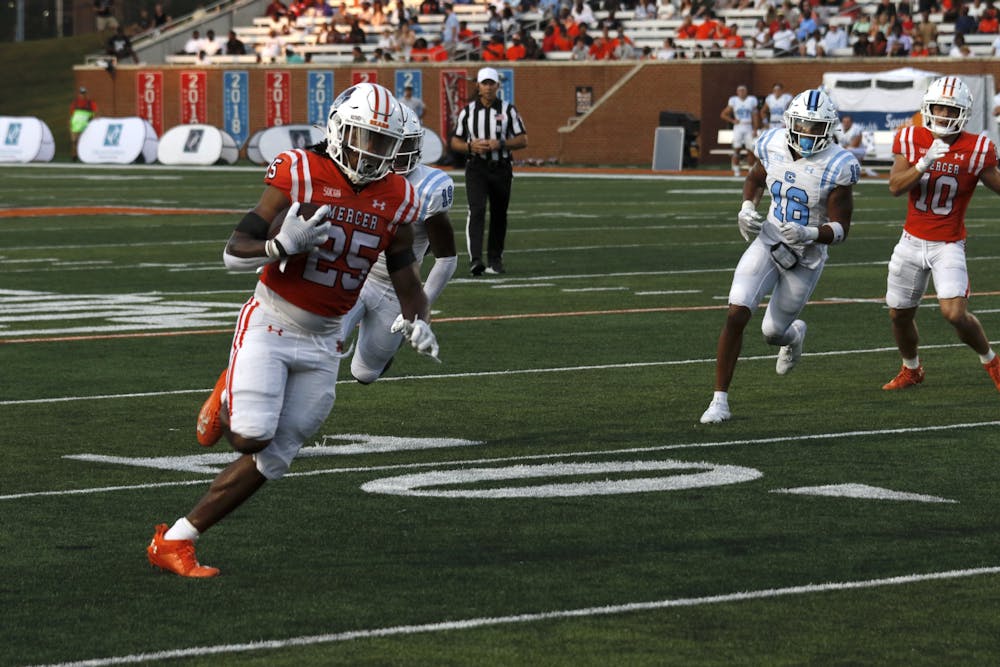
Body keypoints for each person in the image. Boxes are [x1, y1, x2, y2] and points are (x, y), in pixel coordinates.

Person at [147, 83, 439, 577]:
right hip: (273, 320)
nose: (377, 153)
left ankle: (176, 540)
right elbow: (233, 248)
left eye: (386, 144)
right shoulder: (300, 170)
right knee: (250, 438)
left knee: (276, 458)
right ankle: (226, 395)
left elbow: (404, 270)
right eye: (369, 139)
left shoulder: (400, 197)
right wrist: (279, 248)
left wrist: (419, 318)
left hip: (326, 339)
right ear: (342, 130)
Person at [700, 89, 859, 424]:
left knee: (773, 332)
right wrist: (746, 207)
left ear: (829, 130)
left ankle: (794, 335)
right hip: (768, 241)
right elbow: (755, 178)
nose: (807, 132)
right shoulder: (772, 143)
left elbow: (842, 228)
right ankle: (719, 401)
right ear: (789, 121)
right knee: (736, 312)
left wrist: (811, 234)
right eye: (801, 123)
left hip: (807, 257)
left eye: (815, 127)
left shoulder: (839, 165)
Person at [881, 76, 1000, 392]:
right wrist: (923, 163)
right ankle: (911, 369)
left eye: (951, 109)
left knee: (954, 314)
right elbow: (894, 186)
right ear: (928, 107)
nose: (945, 115)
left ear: (963, 112)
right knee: (898, 314)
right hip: (910, 241)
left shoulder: (977, 149)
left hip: (947, 243)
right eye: (940, 107)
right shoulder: (910, 137)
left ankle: (991, 360)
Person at [342, 110, 457, 384]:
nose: (395, 152)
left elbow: (446, 258)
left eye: (403, 144)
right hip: (352, 273)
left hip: (396, 287)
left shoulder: (430, 187)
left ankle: (380, 349)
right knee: (320, 343)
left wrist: (419, 314)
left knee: (364, 373)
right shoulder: (357, 173)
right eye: (389, 142)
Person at [449, 67, 528, 276]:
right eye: (485, 83)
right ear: (478, 86)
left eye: (492, 83)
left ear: (498, 86)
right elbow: (455, 141)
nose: (488, 87)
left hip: (501, 168)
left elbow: (523, 139)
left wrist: (500, 143)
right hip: (476, 167)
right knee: (476, 211)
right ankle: (475, 259)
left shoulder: (509, 110)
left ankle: (495, 259)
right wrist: (470, 147)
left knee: (499, 214)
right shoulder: (468, 112)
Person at [720, 84, 759, 177]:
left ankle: (751, 170)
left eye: (743, 90)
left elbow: (755, 116)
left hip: (748, 126)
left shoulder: (751, 100)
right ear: (737, 92)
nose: (742, 92)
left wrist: (755, 129)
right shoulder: (734, 101)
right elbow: (723, 114)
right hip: (738, 127)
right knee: (736, 149)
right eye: (740, 91)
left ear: (746, 91)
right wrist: (733, 120)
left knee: (750, 149)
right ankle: (736, 170)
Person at [69, 87, 97, 162]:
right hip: (75, 125)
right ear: (79, 94)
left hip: (85, 126)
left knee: (83, 141)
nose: (82, 95)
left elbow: (94, 114)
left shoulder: (90, 103)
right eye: (81, 93)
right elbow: (72, 115)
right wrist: (70, 124)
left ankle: (84, 155)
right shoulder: (75, 103)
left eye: (84, 93)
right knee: (74, 141)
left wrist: (91, 122)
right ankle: (74, 156)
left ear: (86, 94)